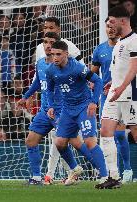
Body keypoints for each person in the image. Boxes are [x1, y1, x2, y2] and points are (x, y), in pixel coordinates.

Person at [46, 40, 113, 189]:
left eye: (58, 54)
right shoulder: (50, 70)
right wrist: (51, 106)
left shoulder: (77, 68)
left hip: (84, 107)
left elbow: (98, 81)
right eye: (52, 54)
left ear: (66, 54)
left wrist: (94, 102)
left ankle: (105, 176)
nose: (55, 57)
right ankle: (75, 168)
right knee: (59, 143)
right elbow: (49, 90)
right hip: (67, 109)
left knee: (90, 142)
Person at [33, 16, 84, 185]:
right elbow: (40, 76)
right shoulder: (40, 49)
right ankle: (60, 173)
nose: (48, 29)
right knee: (56, 140)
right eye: (45, 27)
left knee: (71, 141)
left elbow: (81, 72)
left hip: (68, 103)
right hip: (49, 103)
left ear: (59, 30)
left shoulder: (70, 47)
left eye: (52, 27)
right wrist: (29, 95)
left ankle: (100, 170)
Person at [99, 5, 137, 188]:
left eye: (113, 22)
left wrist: (121, 87)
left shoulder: (135, 40)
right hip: (115, 91)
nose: (110, 26)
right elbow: (120, 69)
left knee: (136, 133)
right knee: (105, 130)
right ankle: (113, 177)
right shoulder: (119, 43)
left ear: (123, 21)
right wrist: (113, 83)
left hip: (131, 93)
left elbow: (134, 68)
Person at [91, 18, 133, 183]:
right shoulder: (99, 49)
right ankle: (110, 172)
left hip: (124, 95)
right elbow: (93, 74)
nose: (110, 29)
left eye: (112, 26)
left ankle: (127, 169)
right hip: (106, 98)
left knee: (120, 135)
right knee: (107, 134)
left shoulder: (127, 46)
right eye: (107, 27)